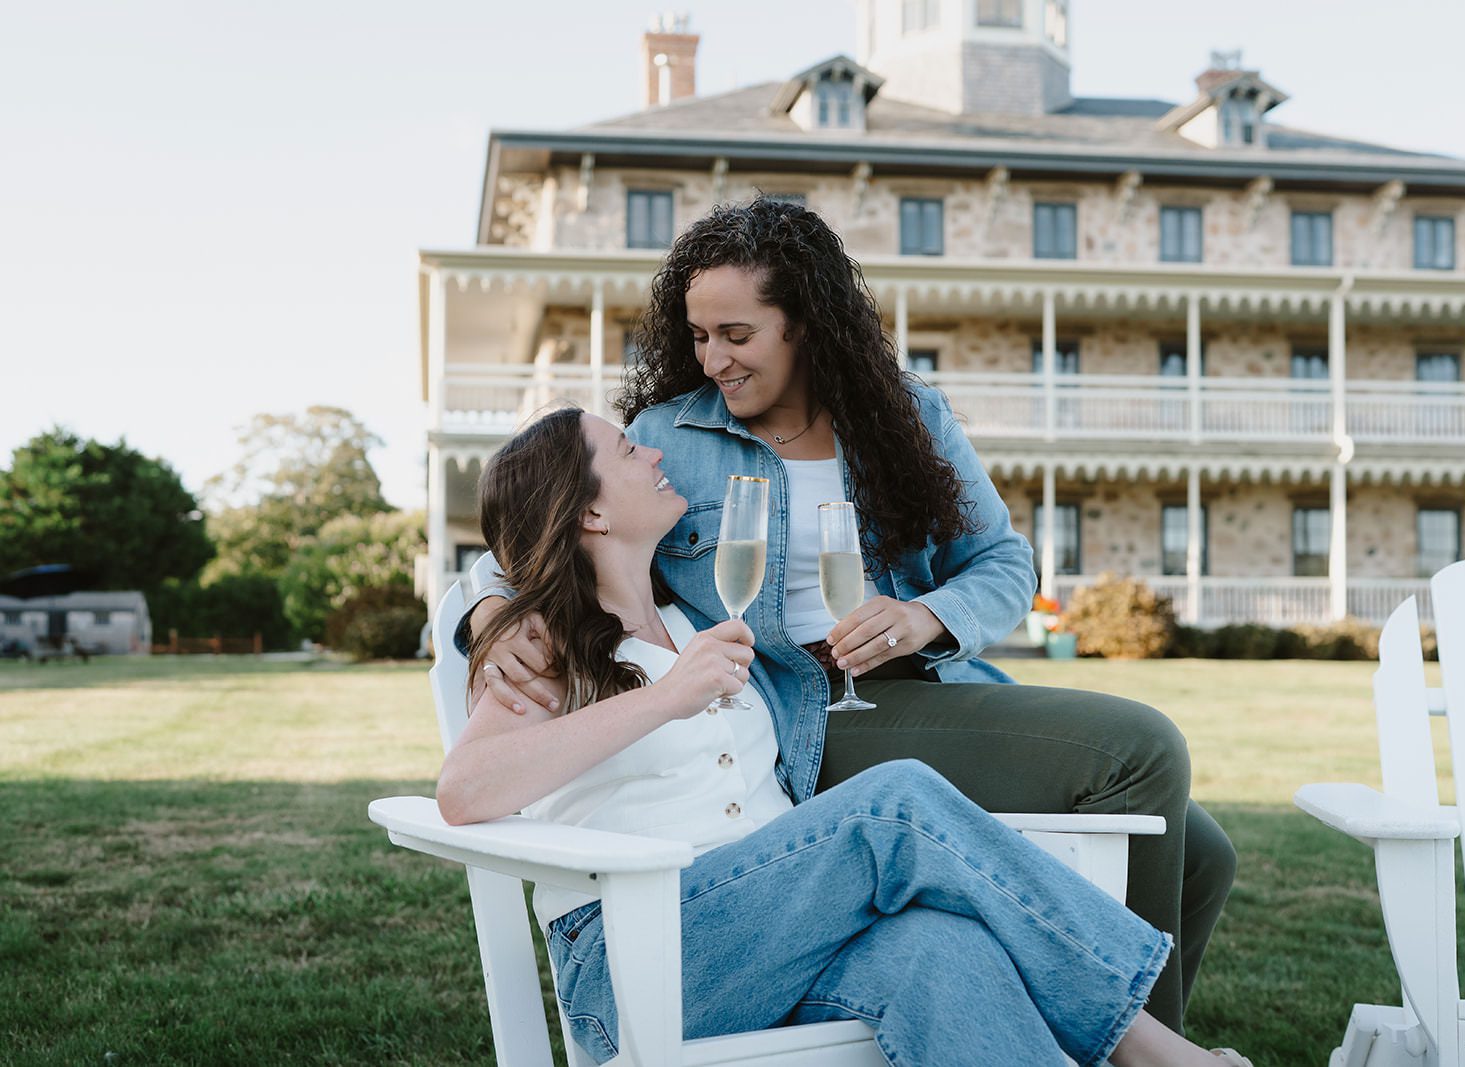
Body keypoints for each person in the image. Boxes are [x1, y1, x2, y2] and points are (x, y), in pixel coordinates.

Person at [463, 198, 1236, 1032]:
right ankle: (1145, 1044)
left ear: (805, 323)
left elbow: (1007, 564)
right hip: (797, 709)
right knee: (1142, 748)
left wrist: (925, 618)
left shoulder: (905, 416)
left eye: (737, 334)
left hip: (920, 683)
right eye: (697, 335)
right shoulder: (668, 434)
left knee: (1202, 854)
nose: (712, 358)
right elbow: (534, 530)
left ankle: (1116, 1029)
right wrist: (490, 607)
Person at [437, 407, 1251, 1067]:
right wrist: (662, 697)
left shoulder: (695, 611)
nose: (653, 451)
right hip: (634, 961)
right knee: (896, 802)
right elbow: (464, 790)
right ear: (590, 509)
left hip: (780, 931)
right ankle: (1148, 1048)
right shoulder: (544, 644)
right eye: (624, 448)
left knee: (945, 951)